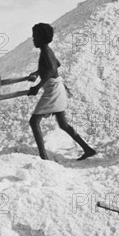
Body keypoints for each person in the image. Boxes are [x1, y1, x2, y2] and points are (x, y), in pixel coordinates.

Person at [27, 23, 97, 161]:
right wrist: (37, 72)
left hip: (52, 90)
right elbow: (56, 64)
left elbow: (53, 68)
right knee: (63, 124)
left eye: (35, 37)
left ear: (41, 38)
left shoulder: (46, 51)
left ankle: (44, 157)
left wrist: (37, 87)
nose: (33, 39)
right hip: (57, 88)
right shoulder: (47, 50)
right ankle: (88, 149)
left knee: (34, 121)